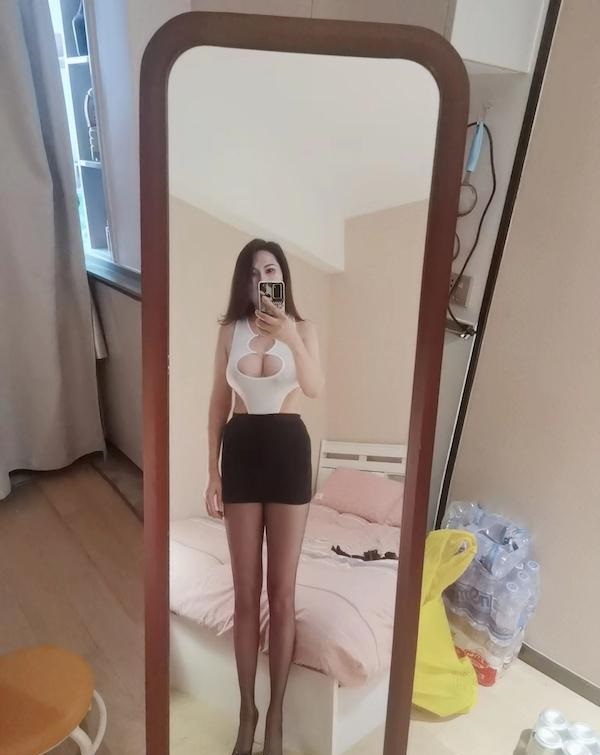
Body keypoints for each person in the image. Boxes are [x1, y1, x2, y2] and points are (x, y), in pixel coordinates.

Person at [204, 238, 324, 755]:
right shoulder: (229, 331)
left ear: (283, 277)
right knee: (244, 591)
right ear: (244, 281)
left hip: (288, 450)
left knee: (282, 593)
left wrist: (291, 337)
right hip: (242, 449)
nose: (262, 281)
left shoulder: (304, 329)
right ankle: (246, 712)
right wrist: (211, 472)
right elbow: (218, 402)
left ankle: (275, 715)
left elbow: (314, 388)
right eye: (253, 274)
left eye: (270, 271)